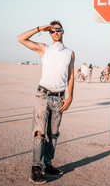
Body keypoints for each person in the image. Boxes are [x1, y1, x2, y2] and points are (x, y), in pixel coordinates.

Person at [17, 20, 75, 184]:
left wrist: (70, 97)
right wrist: (39, 29)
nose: (55, 32)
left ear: (63, 31)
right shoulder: (44, 48)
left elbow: (70, 76)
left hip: (59, 98)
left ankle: (47, 164)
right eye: (52, 30)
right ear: (49, 33)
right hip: (43, 95)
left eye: (58, 29)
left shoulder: (69, 53)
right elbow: (21, 38)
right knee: (40, 133)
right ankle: (36, 169)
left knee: (53, 134)